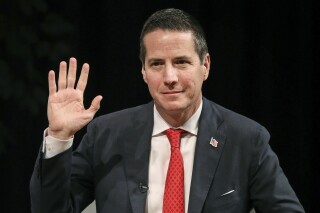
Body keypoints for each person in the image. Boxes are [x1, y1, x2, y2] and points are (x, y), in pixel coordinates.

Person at [30, 8, 305, 213]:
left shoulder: (246, 139)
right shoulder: (106, 135)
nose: (169, 77)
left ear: (205, 65)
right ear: (143, 71)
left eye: (182, 62)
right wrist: (58, 136)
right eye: (157, 64)